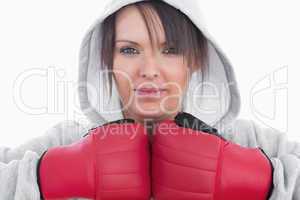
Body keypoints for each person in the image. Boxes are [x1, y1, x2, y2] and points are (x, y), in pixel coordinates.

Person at [0, 0, 299, 199]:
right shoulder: (68, 140)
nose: (149, 71)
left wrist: (265, 178)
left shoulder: (246, 139)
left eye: (170, 50)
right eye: (129, 50)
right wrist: (47, 174)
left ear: (195, 60)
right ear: (107, 60)